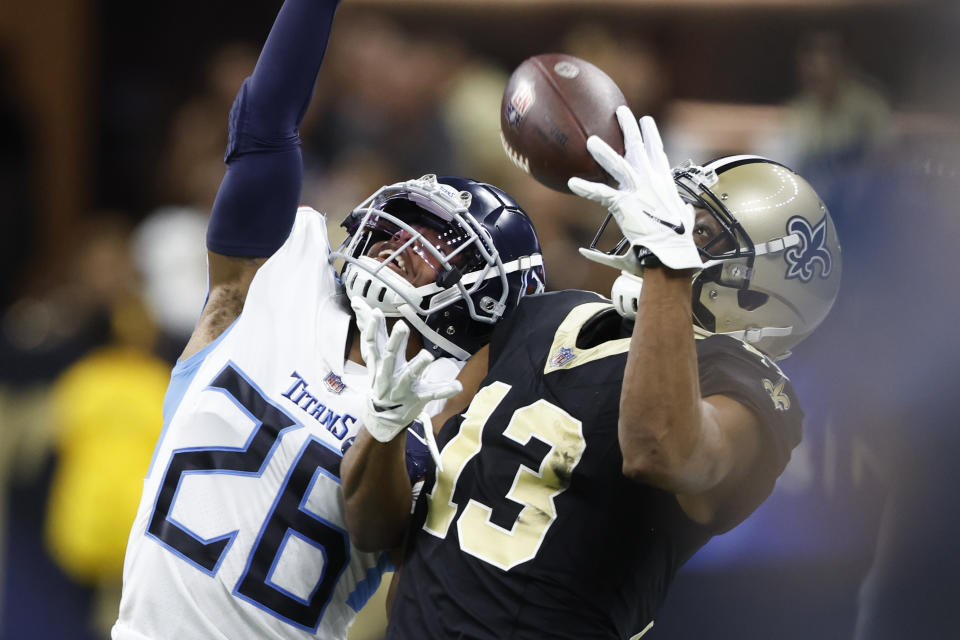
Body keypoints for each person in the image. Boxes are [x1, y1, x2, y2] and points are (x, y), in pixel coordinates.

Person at [110, 1, 545, 639]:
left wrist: (389, 426)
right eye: (408, 223)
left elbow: (378, 529)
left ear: (474, 300)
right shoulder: (268, 289)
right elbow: (263, 122)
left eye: (433, 244)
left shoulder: (441, 429)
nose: (399, 243)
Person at [341, 106, 842, 638]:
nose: (661, 226)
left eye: (700, 231)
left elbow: (661, 450)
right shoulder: (545, 315)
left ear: (762, 282)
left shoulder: (753, 389)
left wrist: (668, 264)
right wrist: (385, 430)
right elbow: (384, 534)